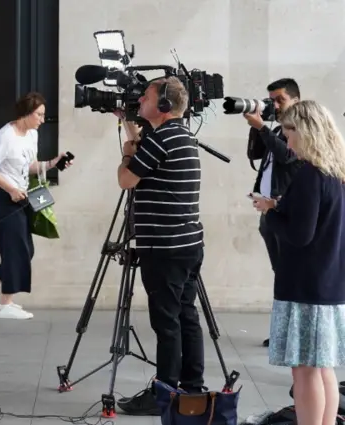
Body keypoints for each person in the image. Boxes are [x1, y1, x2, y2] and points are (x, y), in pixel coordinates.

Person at [115, 76, 205, 415]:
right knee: (185, 316)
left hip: (164, 249)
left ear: (164, 106)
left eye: (146, 97)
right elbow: (149, 158)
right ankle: (192, 389)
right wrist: (130, 129)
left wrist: (127, 153)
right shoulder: (181, 136)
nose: (140, 101)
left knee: (167, 323)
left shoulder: (160, 139)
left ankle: (164, 393)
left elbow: (127, 180)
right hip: (187, 244)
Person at [252, 100, 345, 425]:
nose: (287, 142)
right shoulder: (337, 171)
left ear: (306, 132)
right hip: (330, 283)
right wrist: (281, 205)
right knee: (323, 368)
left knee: (304, 370)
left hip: (305, 286)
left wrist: (271, 211)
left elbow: (300, 235)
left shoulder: (309, 174)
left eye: (289, 133)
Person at [0, 92, 73, 320]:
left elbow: (29, 165)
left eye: (43, 115)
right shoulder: (6, 136)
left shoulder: (31, 134)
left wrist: (53, 163)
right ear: (26, 114)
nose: (42, 119)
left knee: (25, 249)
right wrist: (10, 189)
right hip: (3, 198)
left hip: (22, 196)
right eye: (39, 114)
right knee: (16, 249)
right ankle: (5, 303)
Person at [244, 78, 302, 348]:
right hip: (269, 212)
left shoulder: (302, 131)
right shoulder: (277, 131)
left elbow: (288, 158)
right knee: (281, 273)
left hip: (286, 212)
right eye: (272, 100)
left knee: (291, 275)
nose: (276, 105)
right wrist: (258, 126)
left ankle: (293, 335)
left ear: (296, 101)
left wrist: (262, 128)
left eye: (281, 100)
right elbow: (256, 154)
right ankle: (284, 332)